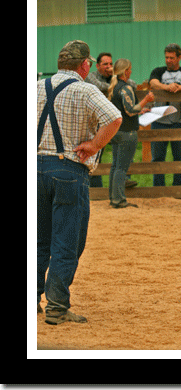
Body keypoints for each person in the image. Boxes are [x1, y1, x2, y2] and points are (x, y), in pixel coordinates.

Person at [37, 40, 123, 324]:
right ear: (85, 65)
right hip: (68, 169)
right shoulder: (86, 89)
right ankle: (57, 306)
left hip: (35, 169)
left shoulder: (36, 87)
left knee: (37, 239)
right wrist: (94, 145)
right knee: (66, 241)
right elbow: (114, 117)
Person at [106, 58, 154, 208]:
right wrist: (146, 100)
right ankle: (119, 199)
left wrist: (141, 108)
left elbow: (125, 110)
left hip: (117, 131)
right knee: (122, 168)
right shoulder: (126, 88)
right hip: (127, 132)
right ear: (126, 71)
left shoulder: (114, 87)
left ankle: (113, 197)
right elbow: (131, 110)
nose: (131, 71)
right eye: (130, 69)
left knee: (115, 166)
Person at [148, 43, 181, 187]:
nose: (168, 60)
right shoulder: (158, 71)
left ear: (179, 57)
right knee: (157, 158)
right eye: (166, 57)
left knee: (180, 157)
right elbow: (153, 83)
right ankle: (159, 189)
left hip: (180, 121)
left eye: (172, 57)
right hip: (159, 121)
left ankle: (179, 189)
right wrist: (167, 87)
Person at [85, 52, 116, 189]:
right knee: (96, 155)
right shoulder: (91, 76)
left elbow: (131, 83)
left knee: (121, 155)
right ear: (97, 66)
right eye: (105, 64)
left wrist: (116, 78)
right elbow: (101, 86)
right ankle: (95, 190)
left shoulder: (114, 77)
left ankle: (120, 185)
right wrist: (117, 81)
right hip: (97, 124)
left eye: (111, 64)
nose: (109, 67)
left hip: (115, 123)